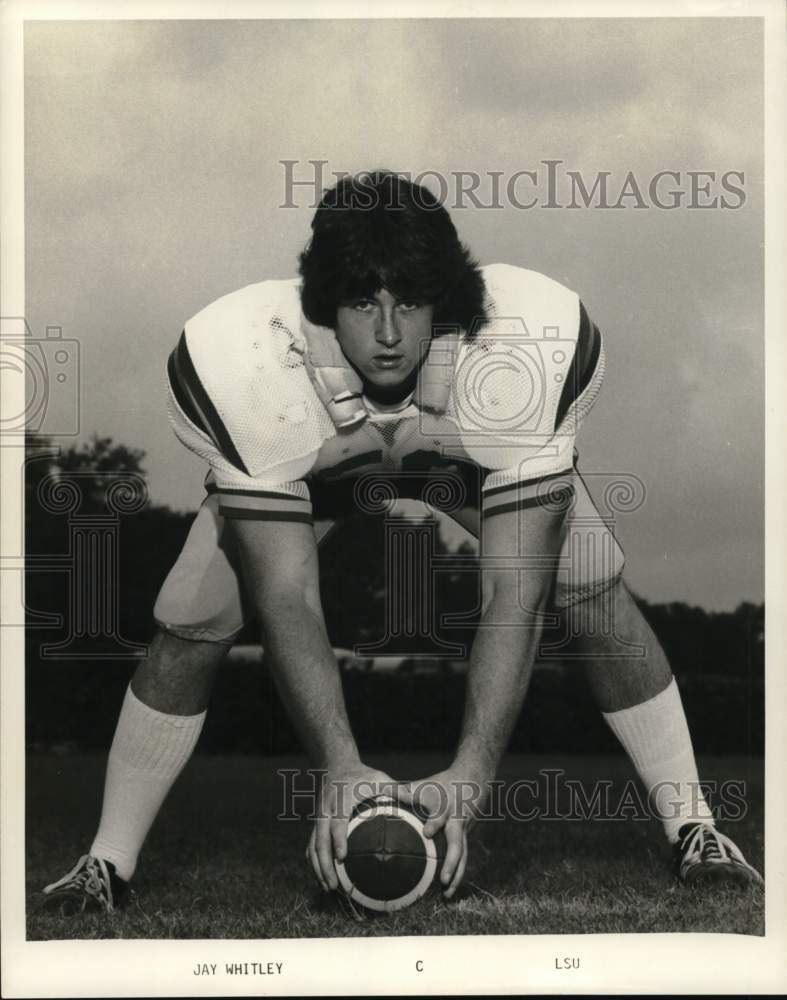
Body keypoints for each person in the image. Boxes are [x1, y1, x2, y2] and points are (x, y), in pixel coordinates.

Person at [41, 170, 762, 915]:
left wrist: (471, 774)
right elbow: (287, 597)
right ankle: (107, 861)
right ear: (322, 301)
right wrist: (340, 767)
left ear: (445, 300)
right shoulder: (245, 361)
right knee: (193, 617)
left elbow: (514, 592)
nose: (387, 334)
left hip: (466, 455)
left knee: (589, 589)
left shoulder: (521, 345)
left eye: (409, 303)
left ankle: (694, 828)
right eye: (361, 303)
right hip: (312, 460)